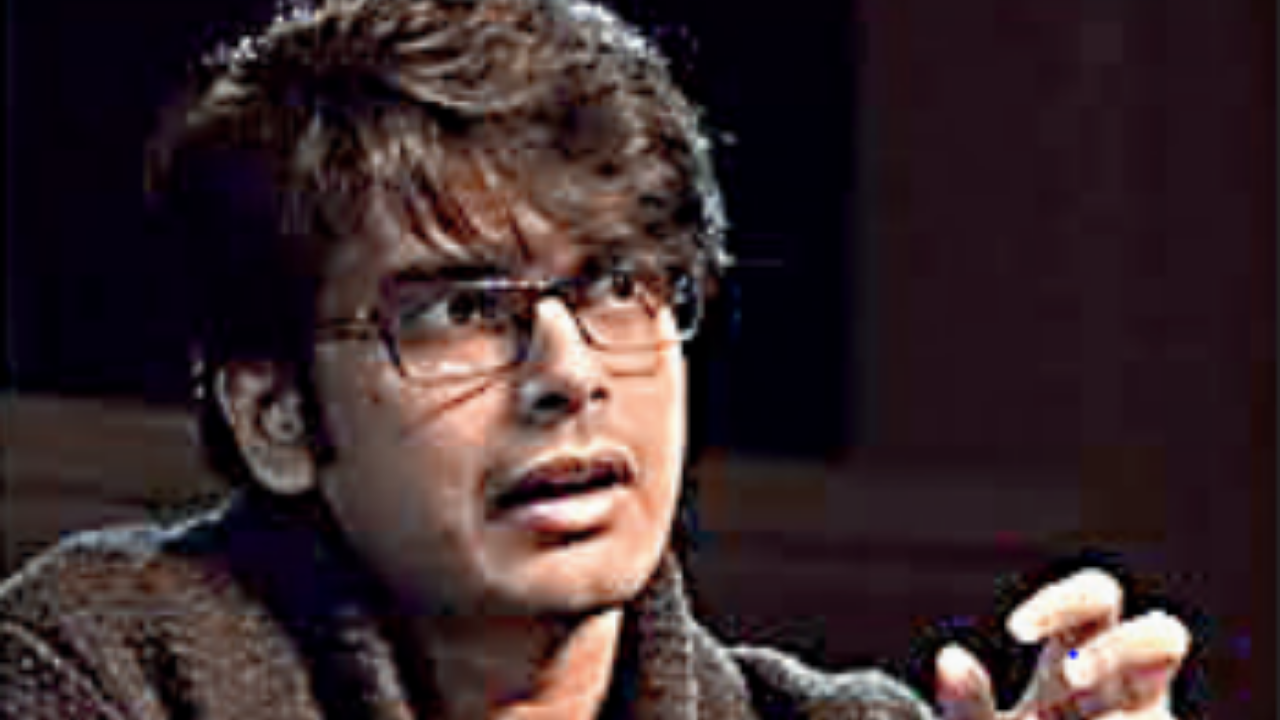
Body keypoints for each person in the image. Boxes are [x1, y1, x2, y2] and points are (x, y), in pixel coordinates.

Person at [0, 0, 1190, 718]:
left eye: (618, 287)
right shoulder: (104, 667)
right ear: (274, 415)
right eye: (463, 309)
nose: (569, 374)